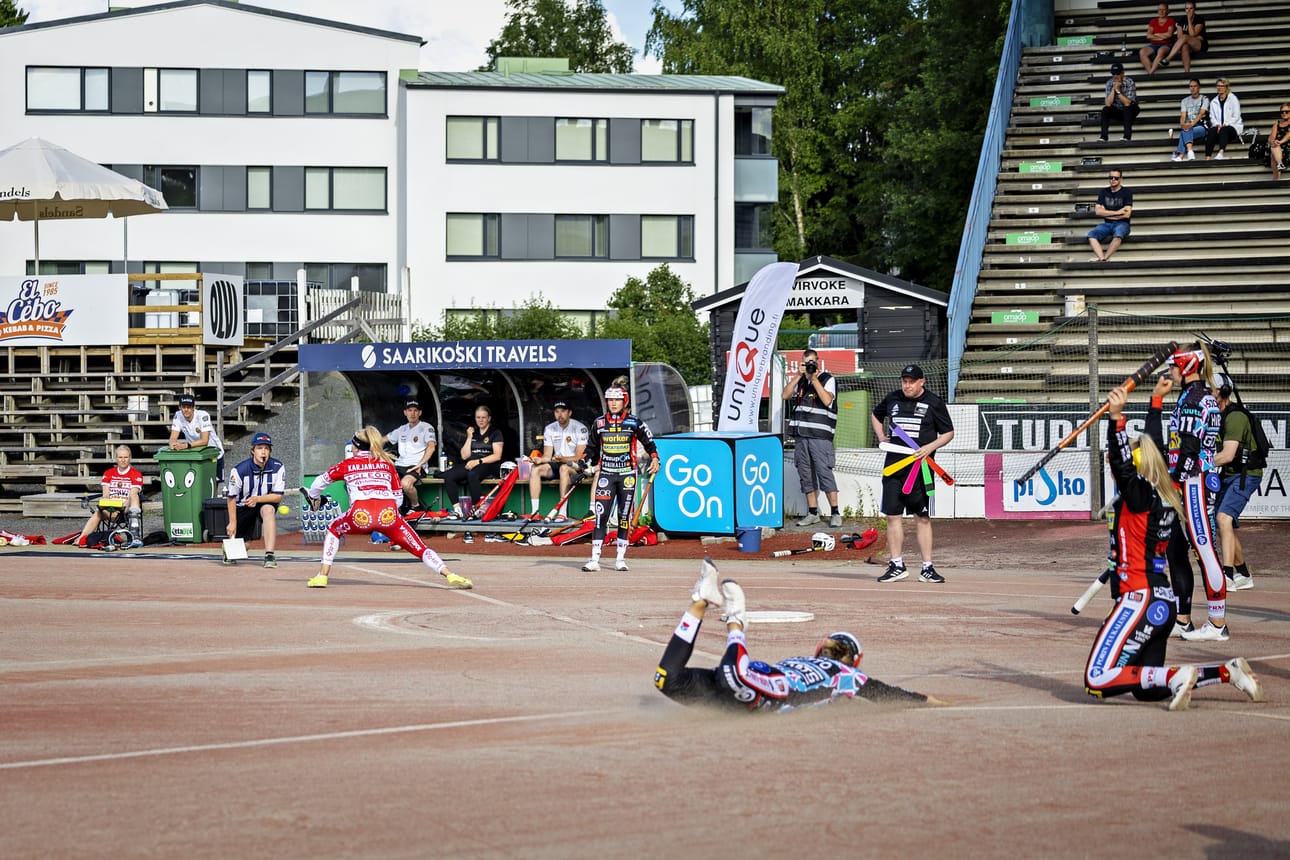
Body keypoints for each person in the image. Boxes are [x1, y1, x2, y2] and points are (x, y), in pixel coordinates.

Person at [1083, 385, 1262, 710]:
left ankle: (1180, 677)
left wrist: (1116, 418)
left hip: (1139, 599)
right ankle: (1226, 672)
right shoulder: (1165, 492)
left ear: (1137, 466)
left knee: (1097, 679)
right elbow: (1147, 450)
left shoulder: (1138, 497)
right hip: (1162, 604)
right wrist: (1155, 402)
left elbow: (1122, 464)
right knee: (1147, 688)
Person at [654, 557, 934, 712]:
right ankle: (724, 614)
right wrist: (934, 701)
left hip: (752, 690)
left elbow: (888, 693)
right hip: (756, 687)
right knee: (687, 678)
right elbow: (891, 694)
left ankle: (713, 608)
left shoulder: (826, 670)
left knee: (681, 679)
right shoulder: (842, 674)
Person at [301, 426, 472, 590]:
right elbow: (398, 498)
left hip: (360, 514)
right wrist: (388, 518)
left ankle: (322, 575)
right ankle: (450, 575)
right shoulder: (387, 464)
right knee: (419, 547)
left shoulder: (347, 464)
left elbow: (317, 483)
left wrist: (314, 499)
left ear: (356, 447)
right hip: (388, 514)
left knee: (334, 529)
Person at [1164, 345, 1229, 641]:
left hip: (1194, 483)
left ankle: (1217, 623)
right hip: (1192, 480)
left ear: (1187, 368)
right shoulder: (1198, 395)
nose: (1169, 372)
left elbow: (1189, 448)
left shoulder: (1192, 398)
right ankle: (1183, 619)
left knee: (1204, 551)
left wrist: (1173, 480)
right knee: (1175, 549)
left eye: (1173, 367)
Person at [870, 364, 955, 584]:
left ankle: (927, 568)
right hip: (894, 467)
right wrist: (881, 436)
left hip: (921, 470)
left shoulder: (934, 402)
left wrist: (930, 447)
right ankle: (896, 564)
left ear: (921, 382)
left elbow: (948, 433)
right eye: (904, 381)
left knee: (923, 517)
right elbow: (876, 415)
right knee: (892, 516)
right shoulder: (892, 398)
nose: (907, 386)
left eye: (911, 382)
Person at [581, 384, 659, 572]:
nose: (613, 403)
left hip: (627, 476)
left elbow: (650, 443)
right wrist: (584, 462)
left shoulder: (634, 422)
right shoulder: (599, 423)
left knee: (624, 517)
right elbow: (590, 448)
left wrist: (655, 458)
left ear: (625, 401)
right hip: (606, 474)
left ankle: (620, 559)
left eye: (617, 400)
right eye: (610, 400)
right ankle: (594, 559)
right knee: (601, 516)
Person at [781, 348, 841, 528]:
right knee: (805, 474)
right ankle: (812, 512)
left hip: (820, 437)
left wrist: (813, 378)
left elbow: (827, 400)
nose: (809, 366)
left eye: (811, 363)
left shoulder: (827, 379)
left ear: (818, 362)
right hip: (801, 436)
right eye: (806, 363)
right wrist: (798, 376)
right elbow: (785, 395)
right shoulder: (800, 382)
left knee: (824, 472)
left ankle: (835, 512)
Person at [1213, 373, 1259, 592]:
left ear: (1222, 393)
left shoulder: (1235, 417)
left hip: (1246, 474)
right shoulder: (1215, 415)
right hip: (1230, 474)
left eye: (1212, 390)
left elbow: (1228, 455)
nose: (1208, 395)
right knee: (1224, 526)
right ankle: (1244, 574)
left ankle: (1227, 575)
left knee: (1223, 518)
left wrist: (1198, 464)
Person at [439, 404, 505, 543]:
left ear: (489, 419)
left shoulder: (495, 432)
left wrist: (479, 461)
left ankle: (476, 509)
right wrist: (468, 437)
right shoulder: (473, 433)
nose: (481, 420)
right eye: (478, 417)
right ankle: (457, 510)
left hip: (489, 464)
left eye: (483, 418)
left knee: (472, 475)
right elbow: (464, 456)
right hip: (472, 463)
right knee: (449, 475)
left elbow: (497, 455)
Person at [223, 431, 285, 568]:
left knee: (268, 510)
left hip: (263, 502)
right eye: (259, 448)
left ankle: (269, 554)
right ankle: (231, 548)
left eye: (266, 448)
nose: (263, 452)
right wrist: (232, 522)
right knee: (244, 546)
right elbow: (231, 497)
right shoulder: (239, 470)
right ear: (252, 451)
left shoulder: (278, 467)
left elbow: (278, 496)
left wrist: (257, 499)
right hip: (243, 507)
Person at [526, 401, 588, 521]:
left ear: (570, 413)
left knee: (563, 468)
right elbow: (548, 455)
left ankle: (562, 513)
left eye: (563, 411)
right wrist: (539, 460)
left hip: (576, 466)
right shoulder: (550, 428)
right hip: (558, 463)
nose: (560, 414)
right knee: (536, 469)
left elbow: (580, 456)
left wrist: (563, 459)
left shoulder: (580, 428)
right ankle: (535, 512)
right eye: (557, 411)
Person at [76, 445, 145, 548]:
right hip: (110, 508)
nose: (123, 460)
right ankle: (82, 538)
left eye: (125, 457)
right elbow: (106, 495)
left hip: (126, 509)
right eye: (120, 457)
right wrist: (110, 508)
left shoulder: (136, 474)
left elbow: (133, 493)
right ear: (116, 458)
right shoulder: (108, 473)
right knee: (98, 511)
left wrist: (120, 508)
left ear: (130, 458)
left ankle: (135, 535)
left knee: (135, 495)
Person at [383, 399, 436, 514]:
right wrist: (367, 442)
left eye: (415, 410)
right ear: (405, 412)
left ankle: (416, 506)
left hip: (416, 465)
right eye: (409, 410)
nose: (412, 413)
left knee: (405, 484)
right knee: (382, 481)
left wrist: (420, 464)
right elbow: (383, 439)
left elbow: (431, 447)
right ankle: (393, 509)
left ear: (420, 413)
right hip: (400, 465)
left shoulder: (427, 428)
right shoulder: (402, 429)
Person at [168, 393, 225, 481]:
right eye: (183, 407)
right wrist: (173, 444)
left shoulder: (203, 415)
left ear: (194, 407)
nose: (186, 410)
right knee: (197, 483)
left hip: (213, 451)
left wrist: (186, 446)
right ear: (179, 407)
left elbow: (205, 441)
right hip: (196, 453)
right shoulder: (178, 415)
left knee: (213, 483)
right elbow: (173, 437)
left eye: (189, 407)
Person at [1086, 168, 1132, 262]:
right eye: (1111, 177)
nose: (1113, 180)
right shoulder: (1103, 192)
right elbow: (1098, 212)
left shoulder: (1127, 192)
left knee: (1118, 235)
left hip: (1122, 224)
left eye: (1116, 178)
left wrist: (1106, 213)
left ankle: (1104, 258)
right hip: (1107, 224)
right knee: (1091, 235)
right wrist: (1118, 212)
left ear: (1121, 179)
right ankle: (1101, 258)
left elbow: (1127, 215)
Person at [1099, 62, 1140, 142]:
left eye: (1117, 74)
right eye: (1113, 74)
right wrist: (1113, 89)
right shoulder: (1109, 83)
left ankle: (1127, 137)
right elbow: (1108, 104)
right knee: (1105, 110)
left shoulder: (1129, 82)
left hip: (1131, 110)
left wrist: (1118, 91)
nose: (1115, 76)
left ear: (1122, 73)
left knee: (1127, 109)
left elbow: (1127, 103)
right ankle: (1103, 137)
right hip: (1118, 110)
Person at [1204, 78, 1243, 160]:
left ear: (1226, 87)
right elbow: (1212, 117)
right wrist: (1217, 125)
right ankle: (1208, 157)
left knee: (1224, 129)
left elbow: (1236, 116)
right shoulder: (1214, 101)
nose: (1219, 88)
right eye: (1218, 86)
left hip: (1232, 127)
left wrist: (1224, 124)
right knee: (1211, 131)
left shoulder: (1233, 99)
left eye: (1222, 86)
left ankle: (1221, 153)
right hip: (1218, 127)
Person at [1163, 0, 1207, 72]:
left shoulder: (1199, 19)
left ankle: (1168, 58)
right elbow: (1180, 37)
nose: (1189, 11)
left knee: (1185, 37)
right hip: (1187, 44)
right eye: (1187, 8)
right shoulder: (1182, 20)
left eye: (1191, 8)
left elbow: (1192, 34)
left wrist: (1189, 20)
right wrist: (1189, 38)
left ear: (1194, 9)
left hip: (1199, 44)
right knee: (1184, 47)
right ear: (1185, 10)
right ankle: (1187, 73)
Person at [1171, 78, 1208, 162]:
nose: (1193, 88)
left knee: (1184, 132)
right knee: (1185, 130)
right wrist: (1182, 124)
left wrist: (1190, 125)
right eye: (1191, 86)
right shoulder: (1185, 101)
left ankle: (1182, 155)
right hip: (1189, 126)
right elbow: (1183, 115)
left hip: (1201, 126)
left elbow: (1201, 113)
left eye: (1195, 86)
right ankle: (1189, 151)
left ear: (1199, 87)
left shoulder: (1204, 99)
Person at [1139, 3, 1177, 75]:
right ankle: (1151, 72)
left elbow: (1169, 35)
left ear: (1167, 11)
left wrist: (1156, 35)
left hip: (1167, 44)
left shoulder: (1170, 20)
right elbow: (1149, 36)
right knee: (1142, 52)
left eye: (1163, 10)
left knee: (1161, 51)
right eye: (1159, 10)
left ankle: (1150, 73)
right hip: (1154, 44)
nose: (1161, 12)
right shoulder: (1153, 21)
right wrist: (1162, 37)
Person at [1269, 102, 1290, 181]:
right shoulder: (1277, 123)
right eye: (1282, 112)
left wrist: (1280, 142)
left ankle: (1275, 179)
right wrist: (1273, 141)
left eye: (1287, 111)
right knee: (1274, 148)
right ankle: (1280, 164)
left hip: (1287, 146)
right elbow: (1271, 136)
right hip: (1277, 147)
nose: (1284, 113)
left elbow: (1289, 135)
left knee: (1273, 152)